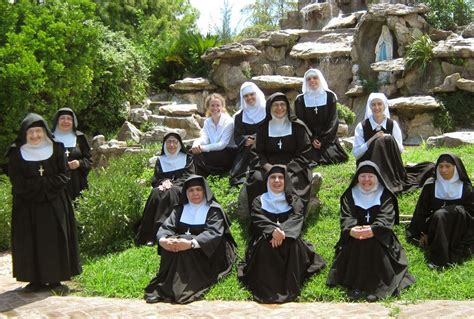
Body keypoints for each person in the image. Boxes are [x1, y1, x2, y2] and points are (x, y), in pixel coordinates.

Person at [6, 113, 81, 293]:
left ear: (44, 132)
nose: (35, 136)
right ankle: (34, 280)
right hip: (27, 205)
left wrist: (44, 187)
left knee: (54, 240)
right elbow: (16, 179)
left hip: (54, 202)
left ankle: (56, 279)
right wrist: (38, 187)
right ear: (24, 134)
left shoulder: (56, 148)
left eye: (38, 132)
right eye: (30, 132)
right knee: (30, 240)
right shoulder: (16, 153)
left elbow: (64, 174)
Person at [327, 161, 415, 302]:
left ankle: (376, 287)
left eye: (370, 176)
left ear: (377, 178)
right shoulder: (350, 194)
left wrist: (373, 229)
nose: (366, 180)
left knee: (373, 244)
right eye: (363, 176)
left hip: (381, 236)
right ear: (357, 177)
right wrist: (352, 229)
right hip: (355, 235)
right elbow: (346, 216)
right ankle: (356, 286)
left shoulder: (385, 194)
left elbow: (386, 217)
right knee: (358, 243)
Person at [238, 165, 326, 303]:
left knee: (293, 244)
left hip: (290, 236)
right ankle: (267, 290)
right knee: (265, 246)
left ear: (286, 181)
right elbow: (257, 218)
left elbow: (298, 218)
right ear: (267, 181)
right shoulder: (259, 200)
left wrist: (282, 232)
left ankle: (290, 288)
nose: (277, 180)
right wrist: (273, 231)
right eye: (273, 177)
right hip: (266, 237)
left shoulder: (294, 200)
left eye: (280, 177)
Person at [144, 175, 237, 304]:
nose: (195, 193)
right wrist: (164, 240)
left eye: (198, 189)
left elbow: (213, 233)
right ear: (186, 193)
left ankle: (177, 290)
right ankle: (165, 287)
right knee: (174, 243)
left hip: (210, 252)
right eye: (191, 190)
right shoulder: (179, 209)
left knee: (183, 244)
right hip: (185, 246)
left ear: (204, 191)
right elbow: (166, 227)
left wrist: (191, 243)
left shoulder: (214, 210)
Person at [244, 92, 313, 214]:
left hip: (293, 167)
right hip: (268, 167)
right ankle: (262, 216)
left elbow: (305, 152)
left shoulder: (298, 127)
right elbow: (256, 152)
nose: (279, 108)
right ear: (269, 107)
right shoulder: (263, 128)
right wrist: (268, 167)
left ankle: (292, 217)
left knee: (293, 182)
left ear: (287, 107)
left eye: (283, 104)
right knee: (257, 180)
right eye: (275, 105)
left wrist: (287, 168)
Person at [353, 92, 433, 193]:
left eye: (379, 104)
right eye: (373, 104)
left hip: (390, 165)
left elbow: (400, 150)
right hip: (370, 165)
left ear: (384, 106)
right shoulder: (362, 126)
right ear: (370, 107)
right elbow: (356, 154)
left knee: (430, 166)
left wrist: (390, 139)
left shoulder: (392, 124)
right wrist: (372, 140)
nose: (376, 107)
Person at [406, 154, 474, 268]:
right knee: (440, 215)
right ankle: (440, 257)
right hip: (436, 226)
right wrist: (423, 233)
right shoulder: (430, 186)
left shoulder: (466, 188)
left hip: (459, 228)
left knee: (445, 213)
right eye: (441, 166)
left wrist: (453, 212)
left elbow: (471, 215)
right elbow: (421, 212)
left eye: (448, 166)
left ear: (455, 167)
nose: (443, 170)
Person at [135, 132, 195, 246]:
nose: (171, 145)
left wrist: (172, 183)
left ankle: (162, 233)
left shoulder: (187, 158)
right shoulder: (161, 160)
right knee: (155, 192)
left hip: (181, 187)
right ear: (164, 144)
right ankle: (149, 234)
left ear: (179, 144)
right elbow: (156, 179)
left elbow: (189, 176)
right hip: (165, 186)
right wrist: (163, 182)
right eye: (169, 142)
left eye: (174, 142)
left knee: (170, 193)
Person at [294, 68, 348, 166]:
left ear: (320, 79)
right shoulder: (300, 100)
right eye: (309, 79)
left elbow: (333, 121)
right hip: (308, 138)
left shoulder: (329, 96)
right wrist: (312, 139)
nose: (312, 81)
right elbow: (301, 122)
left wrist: (322, 140)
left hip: (327, 138)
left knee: (333, 156)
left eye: (315, 78)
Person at [229, 82, 266, 186]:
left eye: (251, 94)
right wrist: (245, 140)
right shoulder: (239, 117)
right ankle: (240, 178)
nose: (249, 98)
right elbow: (237, 136)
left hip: (267, 143)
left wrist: (256, 138)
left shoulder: (268, 110)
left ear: (257, 94)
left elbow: (272, 128)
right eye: (246, 96)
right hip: (248, 148)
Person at [52, 107, 92, 200]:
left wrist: (79, 163)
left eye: (69, 118)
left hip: (77, 183)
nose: (66, 121)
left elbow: (89, 160)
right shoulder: (50, 138)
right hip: (56, 184)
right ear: (57, 121)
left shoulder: (80, 137)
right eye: (62, 118)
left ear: (73, 121)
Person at [191, 93, 236, 177]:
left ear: (222, 107)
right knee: (191, 149)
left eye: (218, 105)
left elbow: (222, 144)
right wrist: (196, 144)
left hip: (226, 154)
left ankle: (207, 173)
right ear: (208, 107)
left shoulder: (229, 122)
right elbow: (205, 139)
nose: (215, 108)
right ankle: (199, 175)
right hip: (213, 153)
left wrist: (202, 148)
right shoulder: (207, 122)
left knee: (198, 154)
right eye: (212, 105)